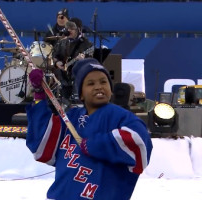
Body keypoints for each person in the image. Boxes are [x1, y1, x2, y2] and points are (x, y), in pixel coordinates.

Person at [26, 58, 153, 200]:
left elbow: (139, 144)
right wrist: (39, 95)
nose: (98, 87)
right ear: (81, 94)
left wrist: (94, 145)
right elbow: (41, 147)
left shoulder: (120, 116)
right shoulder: (71, 117)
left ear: (111, 90)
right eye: (90, 83)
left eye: (103, 82)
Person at [52, 17, 94, 106]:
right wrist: (57, 63)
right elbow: (54, 56)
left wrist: (84, 60)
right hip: (64, 79)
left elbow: (92, 62)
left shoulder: (87, 44)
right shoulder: (62, 43)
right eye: (67, 28)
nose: (69, 30)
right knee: (64, 104)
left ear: (78, 29)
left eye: (72, 28)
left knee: (78, 104)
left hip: (78, 80)